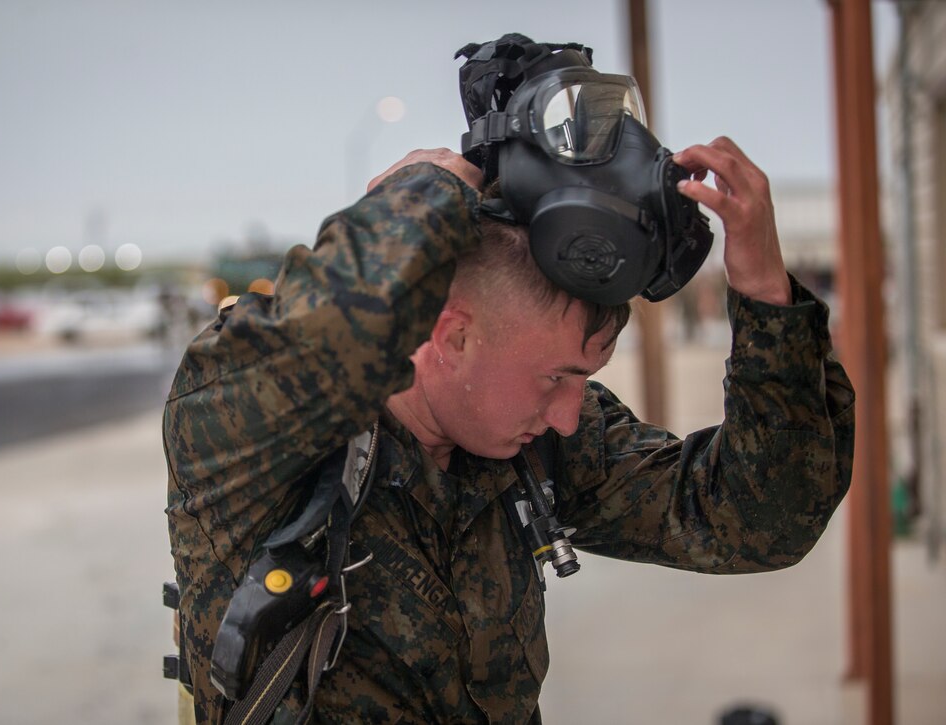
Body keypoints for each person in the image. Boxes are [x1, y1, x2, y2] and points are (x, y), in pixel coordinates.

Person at [164, 44, 854, 724]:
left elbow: (760, 518)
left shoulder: (529, 444)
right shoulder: (252, 432)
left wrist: (767, 300)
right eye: (556, 376)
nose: (566, 414)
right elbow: (327, 332)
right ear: (453, 334)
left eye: (581, 379)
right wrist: (431, 191)